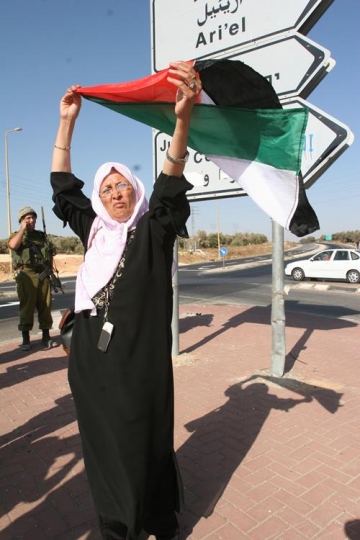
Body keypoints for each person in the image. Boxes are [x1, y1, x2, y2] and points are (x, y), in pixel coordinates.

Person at [50, 61, 201, 540]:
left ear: (135, 192)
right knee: (101, 442)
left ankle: (157, 517)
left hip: (140, 361)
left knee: (144, 437)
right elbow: (61, 187)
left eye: (123, 186)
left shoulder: (153, 229)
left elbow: (170, 184)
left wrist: (182, 121)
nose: (116, 193)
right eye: (107, 188)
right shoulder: (93, 229)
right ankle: (115, 524)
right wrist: (67, 122)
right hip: (92, 359)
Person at [8, 207, 58, 351]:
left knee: (45, 305)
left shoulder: (41, 236)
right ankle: (25, 339)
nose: (32, 221)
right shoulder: (17, 235)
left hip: (42, 272)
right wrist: (22, 230)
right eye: (28, 218)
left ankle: (46, 337)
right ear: (21, 220)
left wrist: (49, 270)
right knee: (27, 305)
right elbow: (13, 245)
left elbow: (50, 253)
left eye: (33, 218)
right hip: (26, 273)